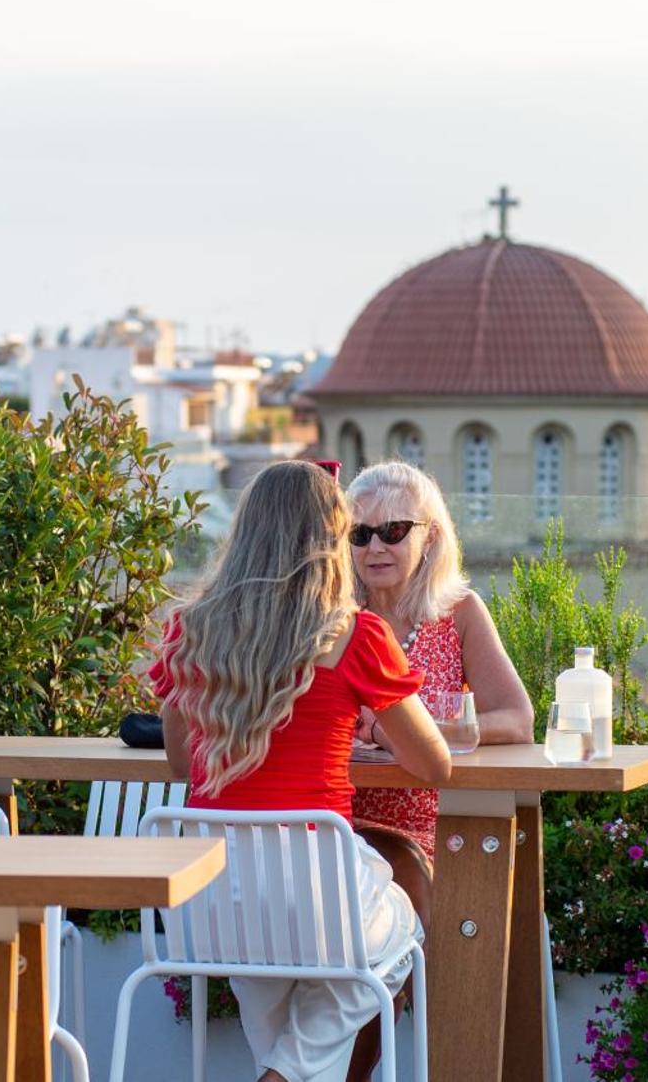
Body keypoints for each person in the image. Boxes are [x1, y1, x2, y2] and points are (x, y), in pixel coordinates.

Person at [149, 460, 452, 1082]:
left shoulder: (188, 631)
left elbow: (183, 763)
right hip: (315, 890)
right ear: (332, 538)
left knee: (283, 1010)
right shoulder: (356, 635)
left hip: (212, 897)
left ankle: (278, 1074)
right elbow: (431, 764)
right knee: (397, 939)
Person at [343, 460, 535, 1079]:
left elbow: (515, 718)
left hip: (430, 824)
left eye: (393, 530)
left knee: (387, 912)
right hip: (331, 820)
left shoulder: (457, 612)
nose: (374, 546)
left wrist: (422, 726)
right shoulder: (331, 618)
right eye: (359, 533)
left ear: (430, 536)